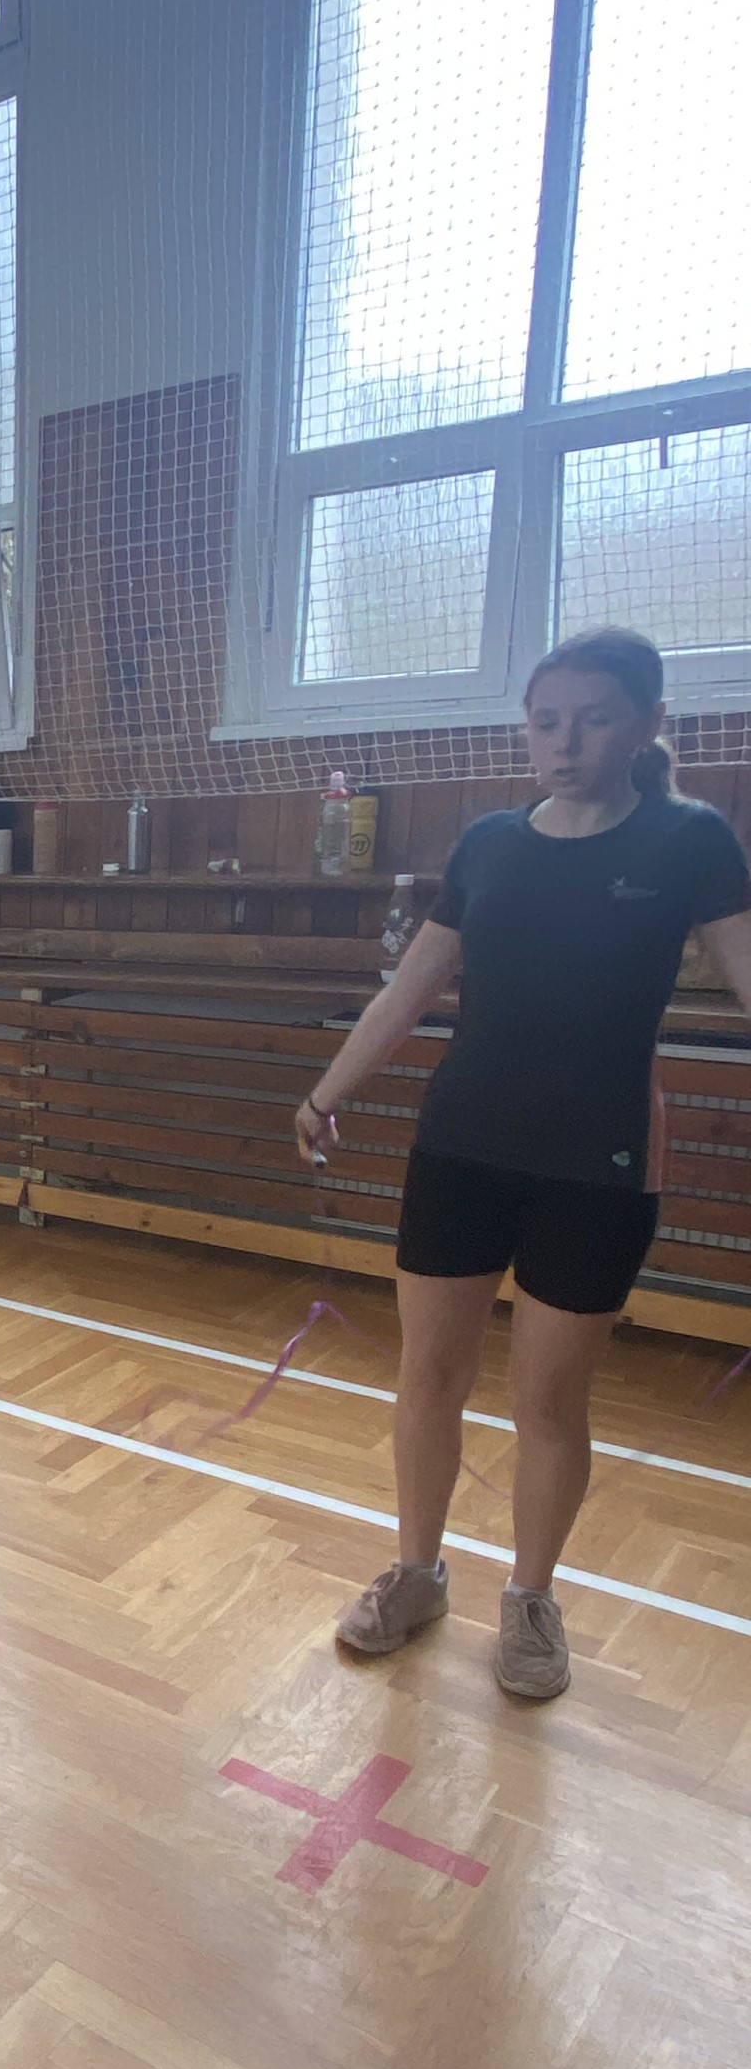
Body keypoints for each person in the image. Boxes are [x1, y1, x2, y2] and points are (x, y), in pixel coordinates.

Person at [298, 628, 751, 1702]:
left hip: (597, 1168)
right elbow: (410, 989)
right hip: (461, 1152)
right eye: (547, 722)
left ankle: (532, 1596)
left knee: (549, 1401)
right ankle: (417, 1574)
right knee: (429, 1377)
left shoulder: (691, 840)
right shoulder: (490, 844)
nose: (566, 743)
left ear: (649, 725)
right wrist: (325, 1093)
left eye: (594, 720)